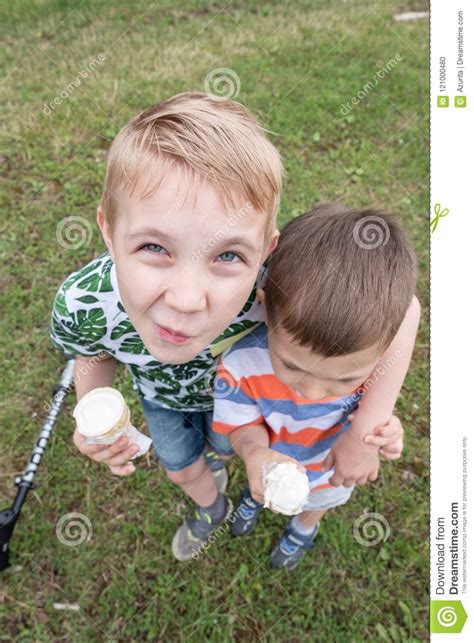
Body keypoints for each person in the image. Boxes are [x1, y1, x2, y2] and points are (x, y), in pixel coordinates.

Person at [50, 93, 417, 562]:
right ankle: (210, 506)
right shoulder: (85, 303)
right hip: (163, 400)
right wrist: (93, 409)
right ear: (107, 229)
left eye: (228, 255)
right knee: (182, 468)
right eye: (152, 247)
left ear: (266, 251)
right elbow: (94, 352)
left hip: (250, 406)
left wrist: (364, 427)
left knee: (233, 451)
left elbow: (403, 309)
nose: (186, 300)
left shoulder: (278, 288)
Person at [213, 203, 420, 569]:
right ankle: (254, 498)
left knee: (318, 504)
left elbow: (380, 431)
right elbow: (241, 425)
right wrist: (254, 454)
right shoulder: (242, 365)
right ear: (266, 309)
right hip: (270, 462)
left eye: (344, 380)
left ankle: (301, 531)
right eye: (292, 366)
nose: (310, 392)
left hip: (327, 477)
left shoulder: (373, 368)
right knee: (260, 486)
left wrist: (380, 438)